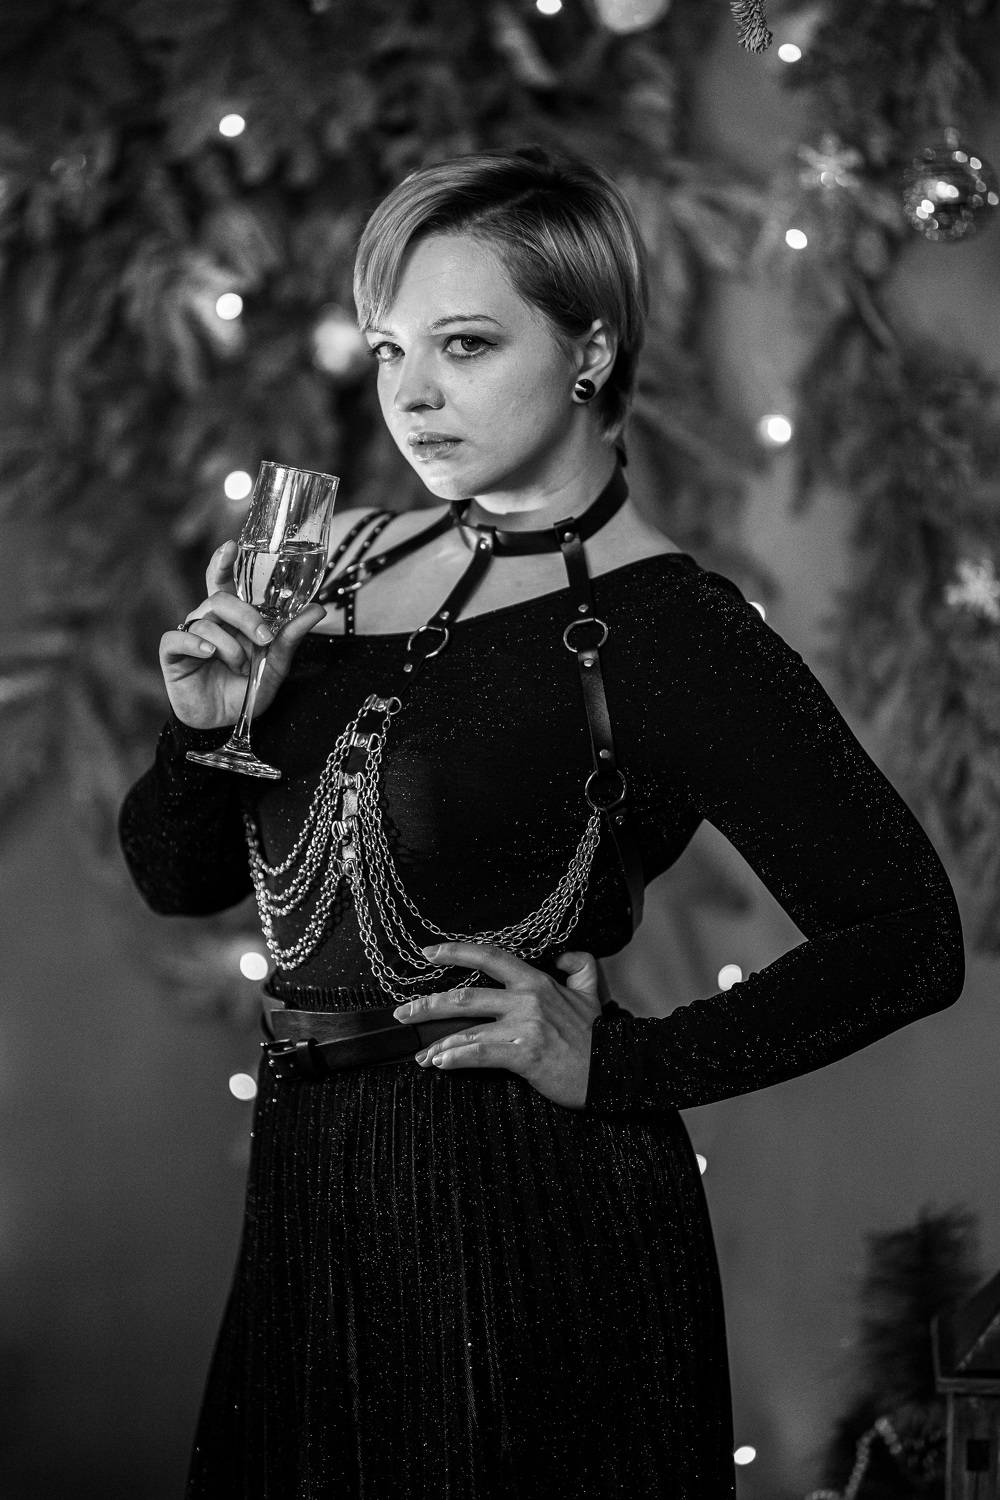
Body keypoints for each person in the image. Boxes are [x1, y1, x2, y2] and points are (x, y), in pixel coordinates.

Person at [118, 145, 965, 1499]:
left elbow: (909, 936)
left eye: (464, 344)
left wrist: (625, 1065)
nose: (412, 393)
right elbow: (180, 879)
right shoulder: (335, 563)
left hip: (526, 1209)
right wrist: (207, 731)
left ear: (590, 349)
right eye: (391, 348)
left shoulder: (674, 628)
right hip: (309, 1192)